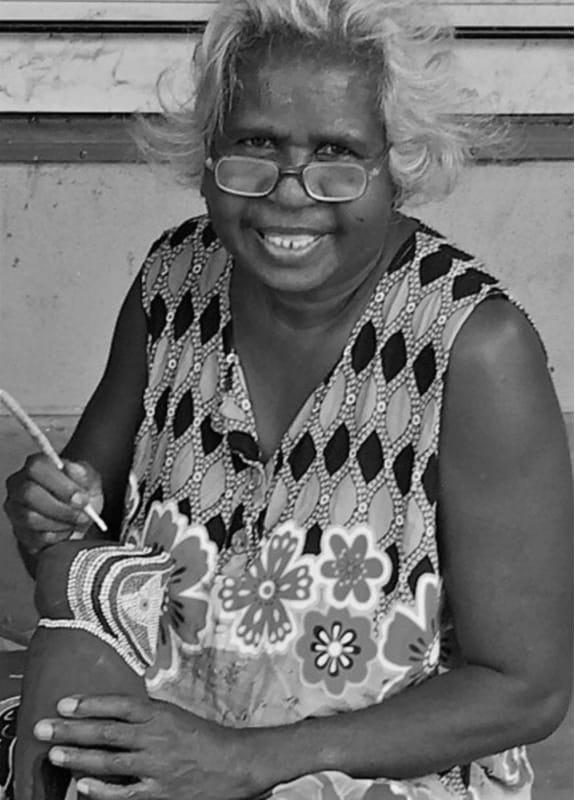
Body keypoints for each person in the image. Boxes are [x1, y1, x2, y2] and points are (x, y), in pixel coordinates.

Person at [2, 0, 572, 797]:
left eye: (337, 154)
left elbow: (525, 689)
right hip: (162, 750)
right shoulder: (174, 282)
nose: (289, 192)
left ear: (396, 164)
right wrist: (42, 510)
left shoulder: (473, 350)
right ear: (208, 155)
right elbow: (74, 553)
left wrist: (250, 761)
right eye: (254, 148)